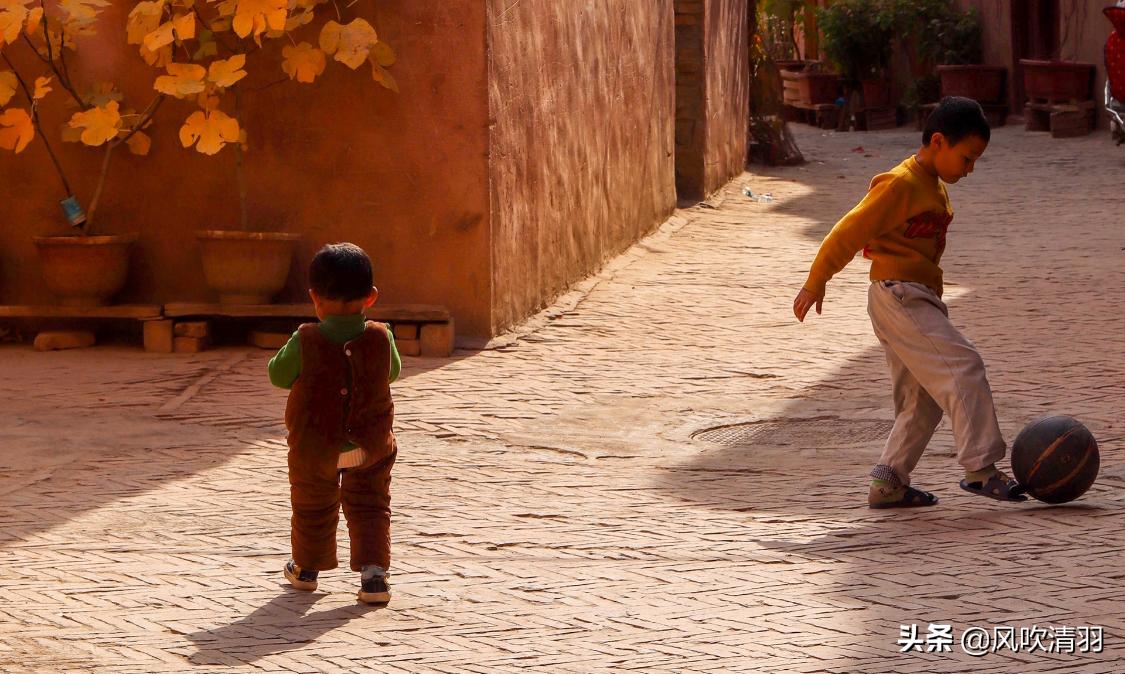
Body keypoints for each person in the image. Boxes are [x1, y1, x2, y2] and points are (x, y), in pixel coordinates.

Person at [792, 96, 1026, 508]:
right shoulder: (900, 184)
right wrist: (816, 282)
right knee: (964, 367)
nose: (969, 170)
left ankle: (888, 483)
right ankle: (981, 469)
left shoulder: (932, 183)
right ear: (938, 142)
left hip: (915, 295)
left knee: (922, 400)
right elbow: (847, 231)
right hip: (898, 294)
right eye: (967, 158)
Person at [269, 242, 402, 601]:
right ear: (371, 297)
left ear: (314, 297)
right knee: (371, 504)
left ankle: (306, 569)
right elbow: (394, 371)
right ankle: (374, 576)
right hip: (369, 446)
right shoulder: (381, 336)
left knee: (312, 503)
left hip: (315, 446)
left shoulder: (305, 338)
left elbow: (278, 375)